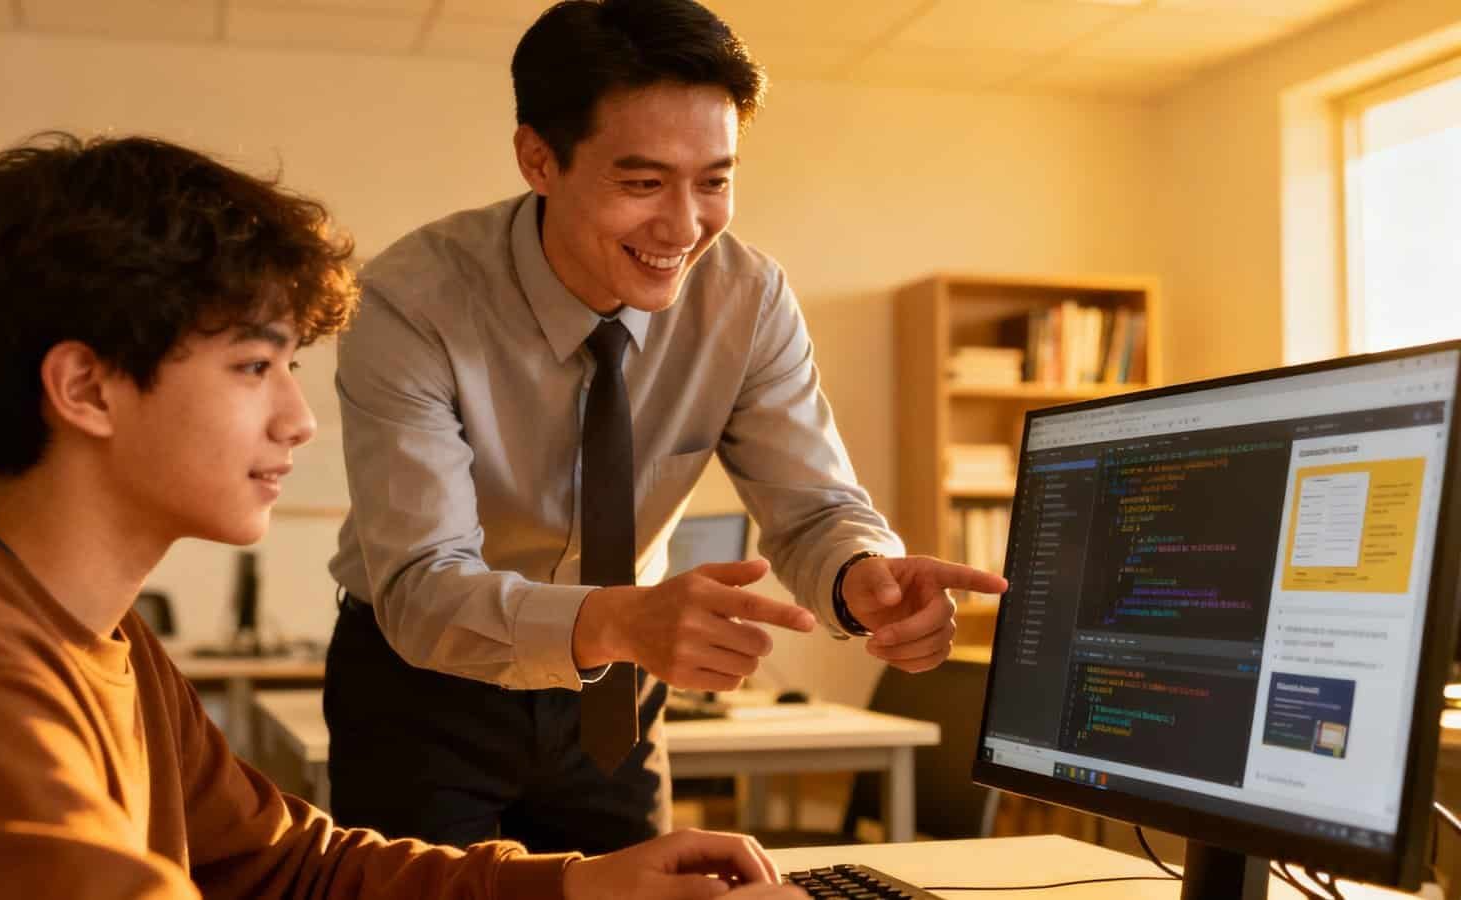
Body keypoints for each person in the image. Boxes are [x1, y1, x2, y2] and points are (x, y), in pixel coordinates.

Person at [0, 131, 804, 900]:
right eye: (251, 366)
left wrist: (578, 888)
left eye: (291, 369)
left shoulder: (100, 639)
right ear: (86, 389)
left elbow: (286, 866)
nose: (299, 420)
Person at [325, 0, 1010, 855]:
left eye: (714, 181)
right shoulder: (413, 299)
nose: (685, 228)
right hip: (425, 685)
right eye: (643, 183)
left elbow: (815, 509)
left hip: (616, 694)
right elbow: (423, 586)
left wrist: (858, 575)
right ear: (539, 159)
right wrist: (618, 621)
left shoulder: (747, 299)